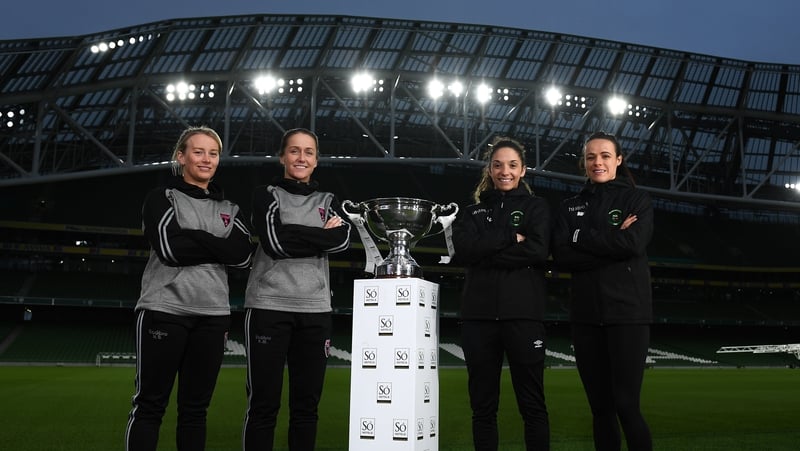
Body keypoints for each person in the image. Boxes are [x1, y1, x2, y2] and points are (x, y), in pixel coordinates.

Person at [125, 126, 254, 451]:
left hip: (213, 317)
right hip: (163, 311)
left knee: (195, 411)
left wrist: (195, 235)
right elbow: (171, 249)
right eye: (198, 151)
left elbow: (242, 256)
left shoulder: (230, 209)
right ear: (181, 156)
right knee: (150, 406)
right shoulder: (161, 198)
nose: (206, 159)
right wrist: (217, 244)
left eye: (213, 153)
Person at [242, 128, 351, 451]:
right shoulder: (266, 195)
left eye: (308, 152)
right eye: (294, 151)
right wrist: (319, 236)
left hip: (315, 311)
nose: (301, 158)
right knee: (263, 405)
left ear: (316, 161)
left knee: (306, 409)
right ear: (282, 157)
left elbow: (342, 240)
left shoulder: (328, 201)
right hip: (268, 307)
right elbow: (274, 243)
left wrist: (292, 231)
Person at [551, 131, 654, 451]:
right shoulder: (569, 206)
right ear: (584, 162)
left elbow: (633, 243)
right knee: (600, 410)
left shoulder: (637, 200)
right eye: (591, 157)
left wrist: (582, 239)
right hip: (585, 317)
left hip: (627, 315)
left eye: (605, 156)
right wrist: (611, 238)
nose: (598, 162)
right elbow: (562, 255)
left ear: (618, 160)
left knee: (626, 405)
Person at [452, 136, 551, 451]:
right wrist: (511, 237)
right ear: (489, 170)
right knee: (483, 408)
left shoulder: (537, 207)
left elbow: (537, 251)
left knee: (532, 405)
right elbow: (464, 251)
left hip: (524, 315)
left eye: (511, 165)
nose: (504, 171)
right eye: (497, 165)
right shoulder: (472, 213)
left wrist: (486, 252)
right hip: (478, 318)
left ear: (523, 170)